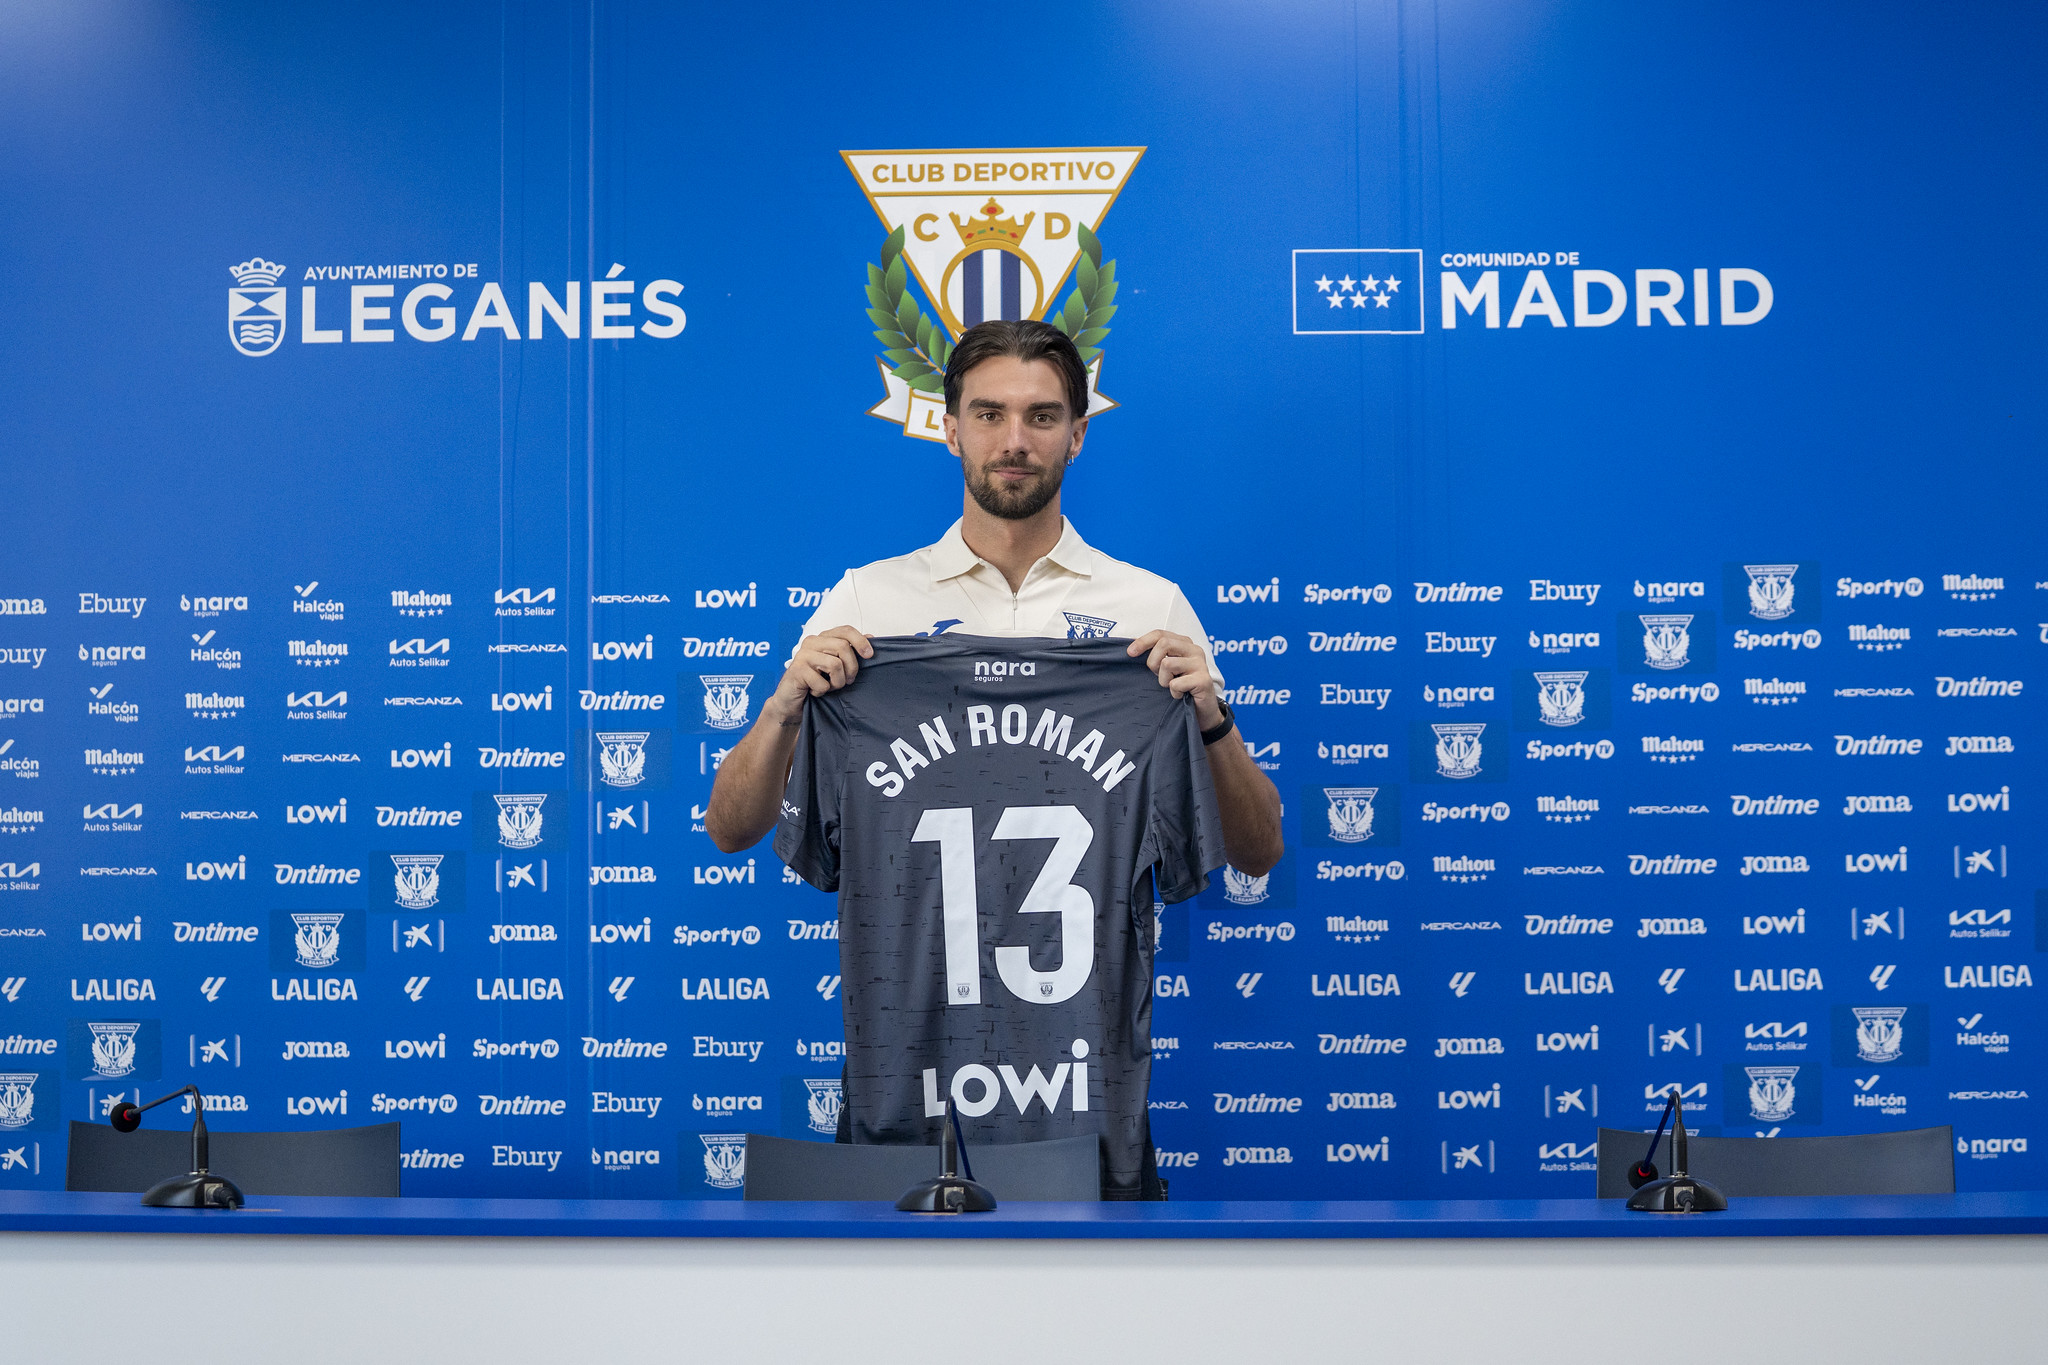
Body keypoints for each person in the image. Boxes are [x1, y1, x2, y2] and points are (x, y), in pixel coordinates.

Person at [706, 318, 1284, 870]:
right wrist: (782, 712)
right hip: (903, 944)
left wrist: (1211, 722)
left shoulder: (1152, 607)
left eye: (1042, 417)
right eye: (989, 415)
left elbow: (1257, 853)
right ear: (952, 432)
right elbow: (730, 831)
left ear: (1077, 436)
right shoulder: (865, 600)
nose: (1014, 441)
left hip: (1099, 947)